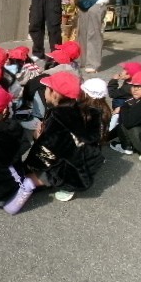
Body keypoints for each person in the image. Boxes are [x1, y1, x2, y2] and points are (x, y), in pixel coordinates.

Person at [24, 71, 104, 202]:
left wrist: (37, 138)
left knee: (24, 180)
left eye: (46, 88)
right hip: (87, 164)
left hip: (71, 173)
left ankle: (62, 184)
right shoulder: (88, 111)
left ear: (55, 93)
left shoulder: (58, 117)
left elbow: (45, 153)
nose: (44, 91)